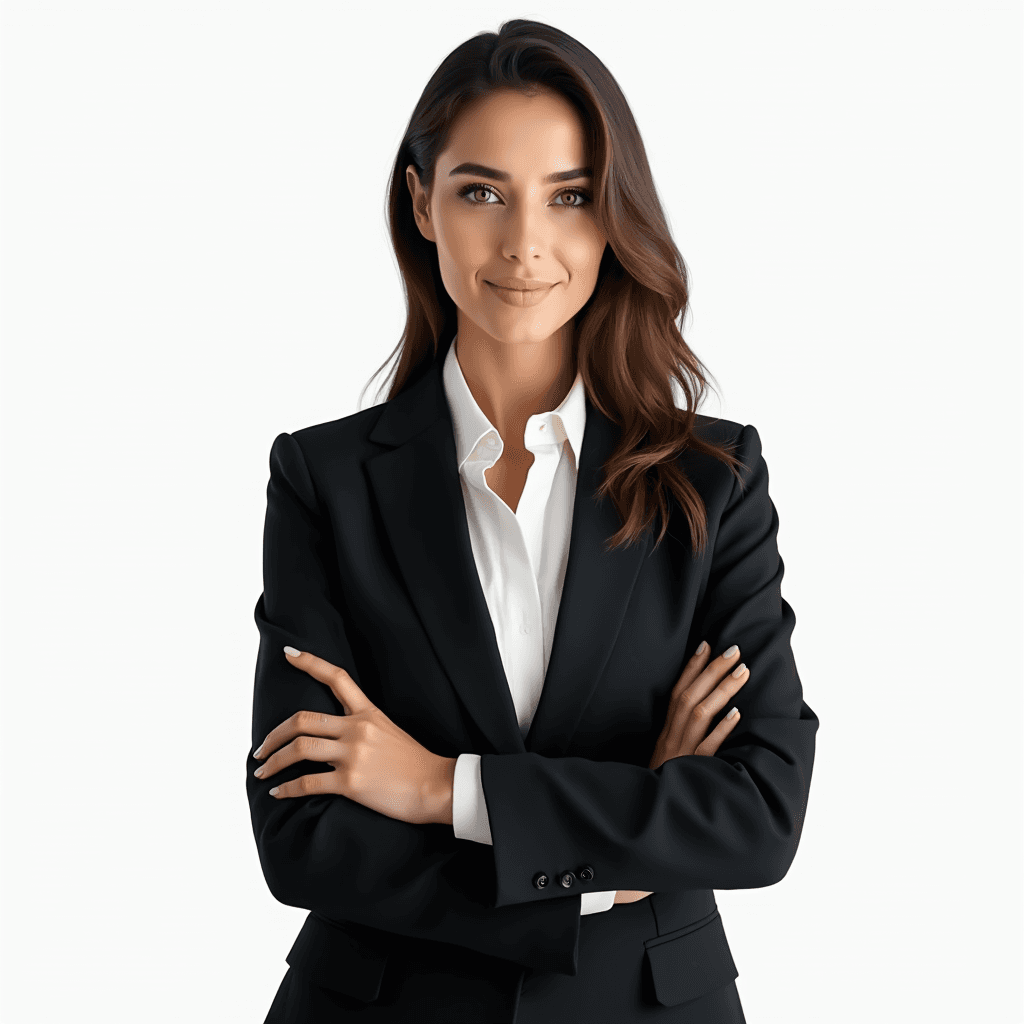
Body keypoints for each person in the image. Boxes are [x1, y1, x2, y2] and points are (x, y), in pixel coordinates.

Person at [246, 18, 818, 1023]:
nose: (524, 243)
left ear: (613, 215)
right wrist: (615, 858)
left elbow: (758, 813)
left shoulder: (712, 479)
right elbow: (306, 837)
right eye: (481, 192)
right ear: (421, 203)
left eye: (569, 195)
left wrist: (441, 789)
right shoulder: (324, 479)